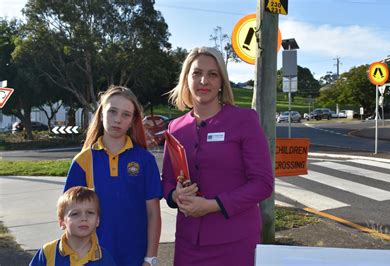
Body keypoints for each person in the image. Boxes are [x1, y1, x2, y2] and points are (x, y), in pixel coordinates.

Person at [162, 46, 273, 266]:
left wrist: (212, 205)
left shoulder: (245, 120)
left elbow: (262, 184)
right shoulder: (175, 127)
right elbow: (166, 181)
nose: (204, 80)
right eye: (197, 73)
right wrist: (176, 195)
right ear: (186, 79)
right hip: (188, 244)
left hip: (235, 242)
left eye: (212, 74)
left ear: (222, 81)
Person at [64, 85, 162, 266]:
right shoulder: (83, 161)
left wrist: (150, 258)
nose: (118, 119)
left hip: (136, 257)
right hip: (92, 258)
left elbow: (153, 214)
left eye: (126, 114)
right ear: (101, 114)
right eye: (112, 112)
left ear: (133, 120)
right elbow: (70, 216)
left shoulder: (145, 160)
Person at [30, 186, 116, 265]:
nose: (84, 218)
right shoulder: (48, 252)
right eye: (75, 214)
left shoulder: (105, 259)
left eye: (90, 212)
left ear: (97, 220)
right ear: (62, 222)